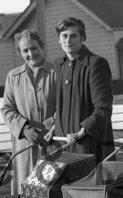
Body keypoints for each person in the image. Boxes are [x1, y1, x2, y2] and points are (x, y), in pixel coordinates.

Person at [49, 16, 114, 161]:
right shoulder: (59, 65)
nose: (68, 40)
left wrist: (82, 132)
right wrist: (53, 130)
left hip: (89, 143)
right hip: (63, 143)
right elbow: (60, 107)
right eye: (64, 36)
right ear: (59, 39)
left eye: (73, 36)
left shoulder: (96, 64)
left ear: (82, 38)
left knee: (88, 181)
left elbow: (103, 108)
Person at [1, 30, 57, 194]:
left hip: (53, 142)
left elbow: (65, 106)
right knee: (27, 195)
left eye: (34, 48)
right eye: (25, 50)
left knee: (52, 192)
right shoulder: (13, 77)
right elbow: (7, 109)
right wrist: (25, 128)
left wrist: (48, 126)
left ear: (42, 47)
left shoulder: (57, 73)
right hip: (25, 146)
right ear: (19, 52)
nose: (31, 53)